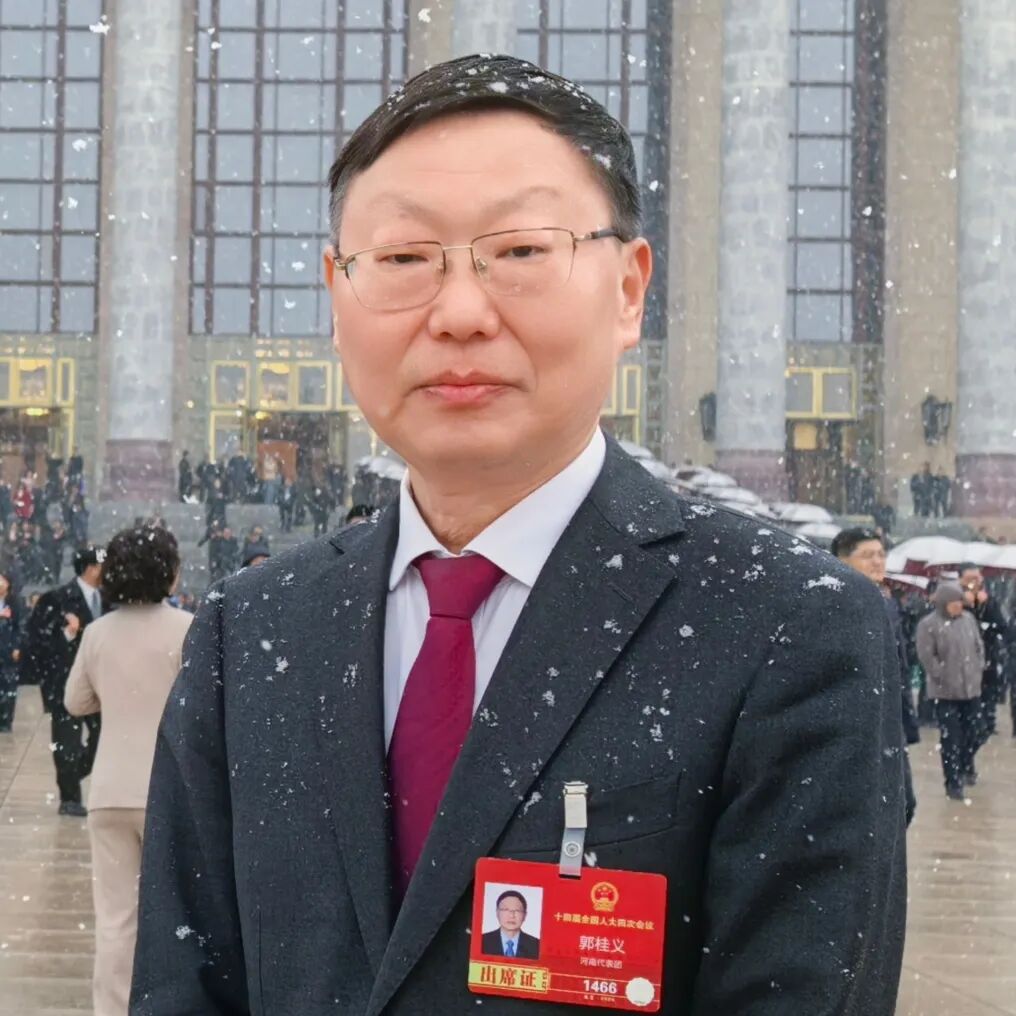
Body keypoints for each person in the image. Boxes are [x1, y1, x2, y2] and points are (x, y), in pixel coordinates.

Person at [132, 55, 905, 1015]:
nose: (460, 313)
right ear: (337, 293)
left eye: (522, 251)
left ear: (629, 289)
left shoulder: (787, 628)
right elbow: (185, 986)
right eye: (404, 260)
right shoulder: (253, 631)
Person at [64, 525, 193, 1016]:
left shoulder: (98, 632)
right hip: (169, 789)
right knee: (177, 916)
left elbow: (75, 702)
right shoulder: (186, 628)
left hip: (111, 789)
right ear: (168, 571)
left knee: (116, 920)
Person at [832, 527, 918, 826]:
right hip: (855, 726)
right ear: (841, 560)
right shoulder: (833, 604)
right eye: (867, 555)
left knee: (902, 806)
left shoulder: (886, 602)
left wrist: (906, 721)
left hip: (889, 722)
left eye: (881, 554)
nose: (878, 561)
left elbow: (899, 667)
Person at [24, 545, 105, 816]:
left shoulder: (110, 601)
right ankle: (69, 798)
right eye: (103, 566)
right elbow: (37, 641)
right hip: (66, 682)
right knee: (66, 741)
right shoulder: (56, 600)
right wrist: (67, 634)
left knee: (102, 739)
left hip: (100, 684)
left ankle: (72, 774)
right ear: (91, 568)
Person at [916, 582, 985, 800]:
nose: (958, 606)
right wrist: (941, 674)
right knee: (951, 739)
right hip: (945, 694)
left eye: (960, 602)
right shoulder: (928, 624)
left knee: (977, 731)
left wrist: (978, 668)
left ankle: (965, 764)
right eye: (954, 603)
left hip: (971, 690)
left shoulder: (968, 620)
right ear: (943, 604)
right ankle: (953, 782)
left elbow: (978, 647)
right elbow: (926, 656)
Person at [958, 563, 1008, 744]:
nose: (974, 582)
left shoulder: (990, 600)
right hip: (963, 662)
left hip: (988, 658)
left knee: (988, 697)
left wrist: (986, 605)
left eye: (977, 578)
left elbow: (1002, 627)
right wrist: (967, 605)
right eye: (969, 579)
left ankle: (987, 724)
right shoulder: (954, 600)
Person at [480, 890, 540, 959]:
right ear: (497, 913)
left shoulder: (537, 946)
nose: (512, 915)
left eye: (517, 910)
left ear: (525, 915)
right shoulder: (482, 941)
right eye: (506, 909)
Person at [0, 570, 20, 732]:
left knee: (9, 688)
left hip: (8, 651)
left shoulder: (14, 603)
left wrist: (17, 647)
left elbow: (20, 627)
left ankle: (6, 721)